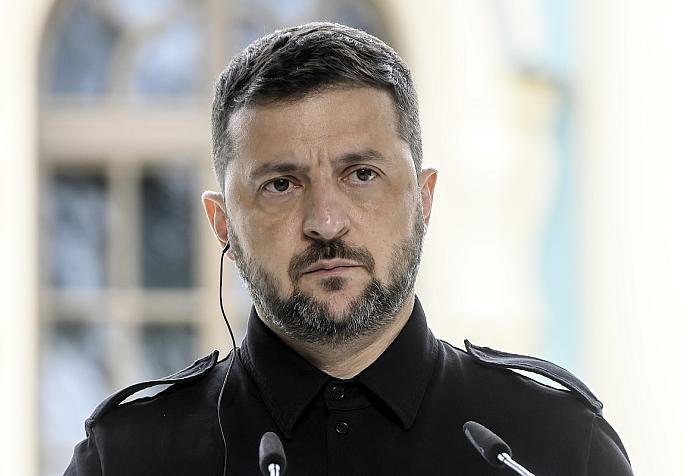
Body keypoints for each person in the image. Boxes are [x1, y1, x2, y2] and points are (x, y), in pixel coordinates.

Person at [64, 22, 633, 476]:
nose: (326, 222)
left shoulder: (553, 444)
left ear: (424, 199)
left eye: (361, 174)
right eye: (281, 184)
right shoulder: (129, 457)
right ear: (222, 224)